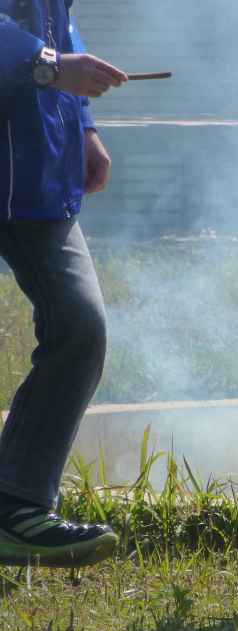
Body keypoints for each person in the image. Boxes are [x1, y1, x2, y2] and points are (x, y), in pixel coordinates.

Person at [0, 0, 127, 567]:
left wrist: (83, 122)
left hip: (36, 173)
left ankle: (16, 506)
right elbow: (46, 47)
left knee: (80, 328)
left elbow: (52, 19)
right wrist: (50, 67)